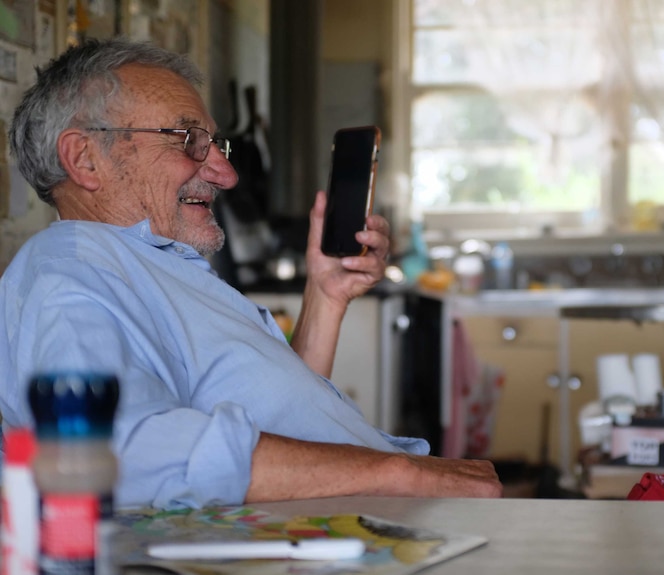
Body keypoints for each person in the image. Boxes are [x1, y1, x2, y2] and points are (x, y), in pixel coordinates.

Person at [0, 38, 502, 509]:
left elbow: (276, 428)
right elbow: (115, 453)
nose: (225, 172)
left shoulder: (147, 266)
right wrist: (399, 473)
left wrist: (324, 298)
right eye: (188, 139)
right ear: (85, 158)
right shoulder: (68, 269)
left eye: (216, 143)